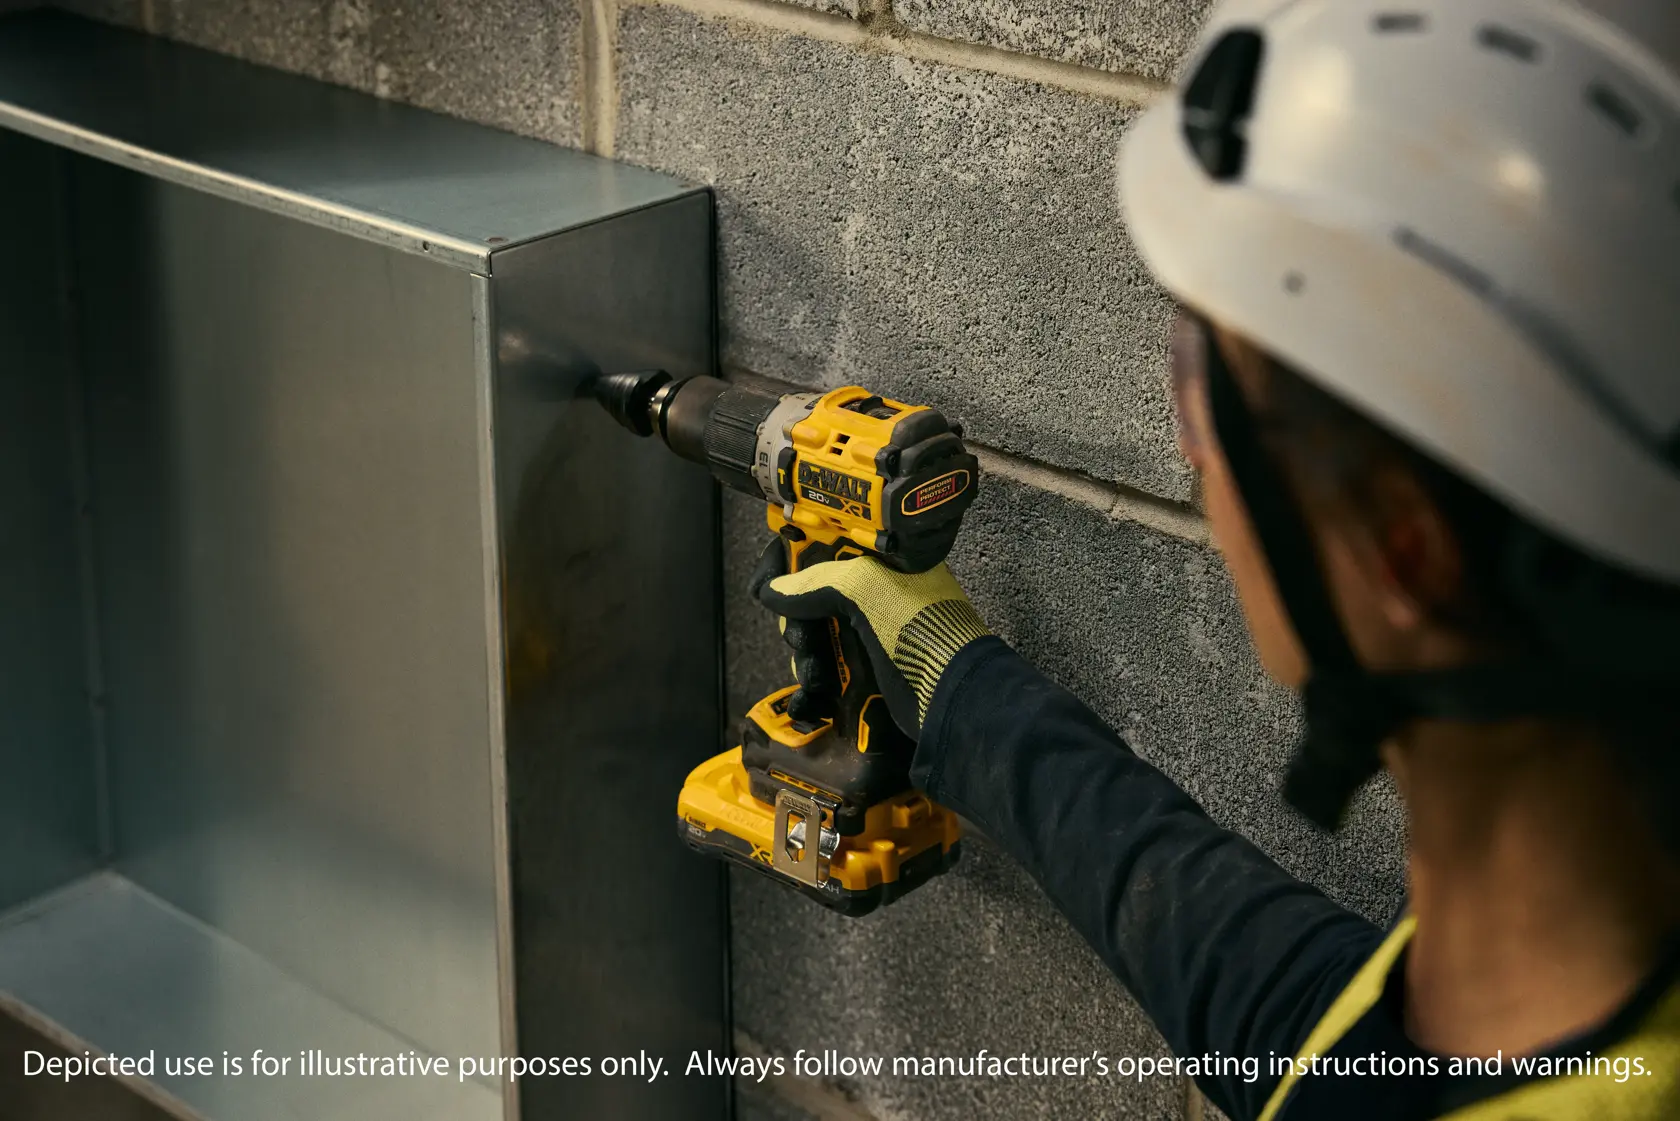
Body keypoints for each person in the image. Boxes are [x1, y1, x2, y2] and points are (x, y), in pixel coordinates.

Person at [751, 0, 1680, 1117]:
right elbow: (1292, 1012)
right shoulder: (1525, 986)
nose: (1186, 436)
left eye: (1206, 376)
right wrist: (953, 674)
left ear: (1405, 557)